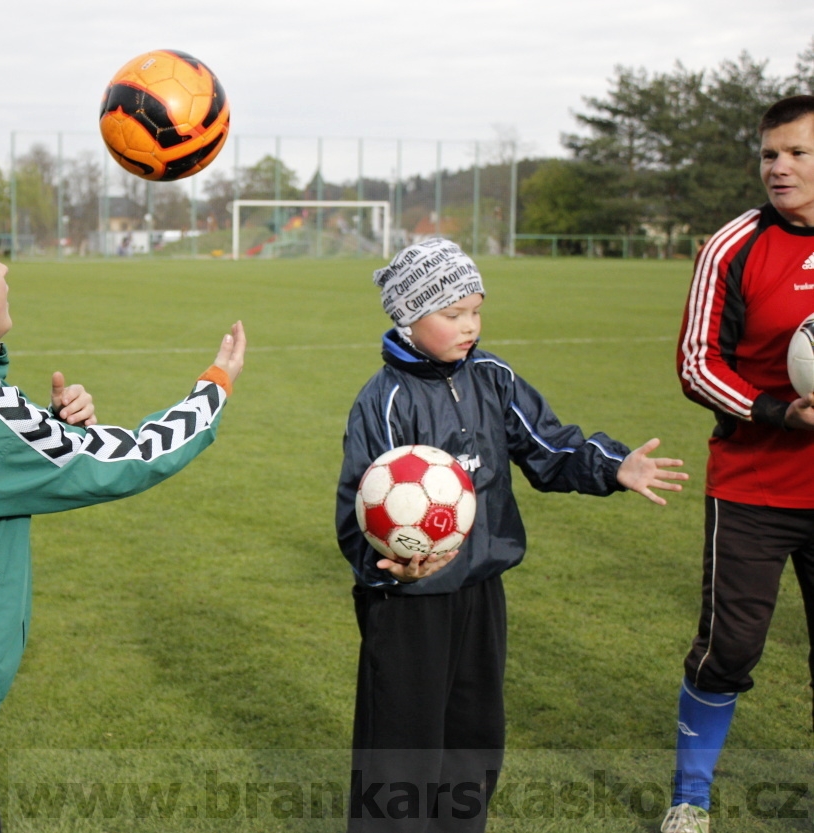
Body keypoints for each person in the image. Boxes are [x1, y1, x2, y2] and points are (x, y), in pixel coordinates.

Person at [0, 209, 246, 833]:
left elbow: (4, 440)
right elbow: (131, 458)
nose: (3, 269)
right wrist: (213, 387)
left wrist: (59, 428)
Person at [336, 237, 687, 833]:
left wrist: (614, 466)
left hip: (481, 589)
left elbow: (550, 446)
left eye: (476, 309)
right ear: (409, 316)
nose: (470, 325)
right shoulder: (384, 401)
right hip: (408, 602)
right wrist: (387, 567)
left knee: (474, 738)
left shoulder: (492, 377)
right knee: (400, 749)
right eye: (453, 314)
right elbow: (358, 508)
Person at [661, 94, 814, 833]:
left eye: (797, 153)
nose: (779, 167)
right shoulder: (733, 246)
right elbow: (696, 364)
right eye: (769, 155)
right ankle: (691, 798)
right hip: (756, 486)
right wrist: (779, 411)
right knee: (730, 648)